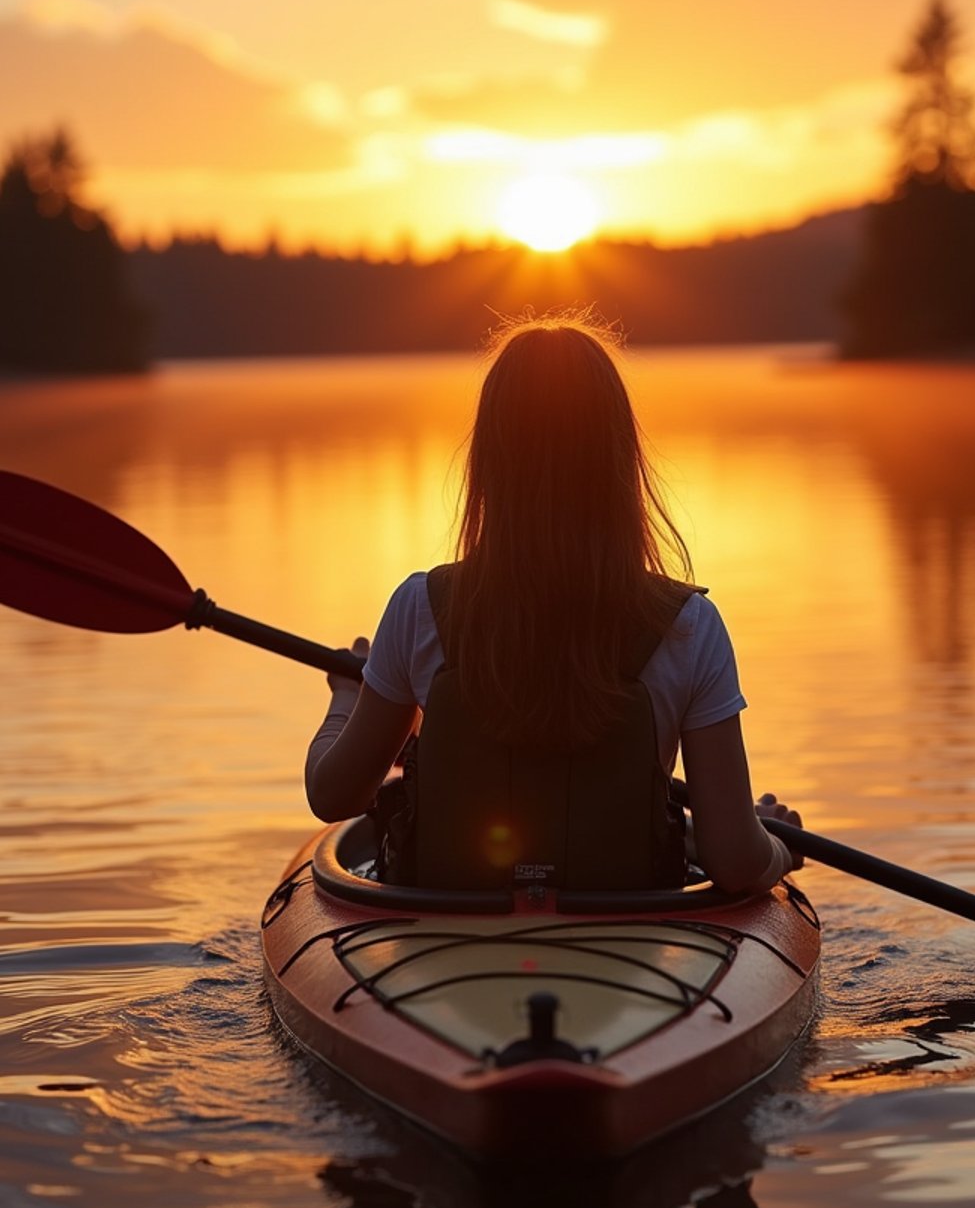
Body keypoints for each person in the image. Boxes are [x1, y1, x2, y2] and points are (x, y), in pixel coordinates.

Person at [306, 313, 801, 893]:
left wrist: (348, 698)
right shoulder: (690, 627)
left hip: (454, 928)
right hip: (626, 935)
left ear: (489, 463)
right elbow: (737, 865)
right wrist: (774, 846)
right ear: (618, 462)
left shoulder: (420, 608)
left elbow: (332, 795)